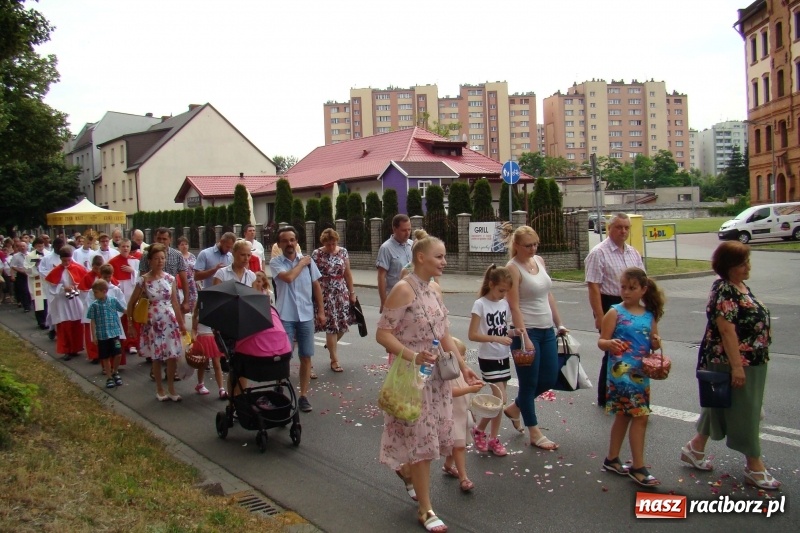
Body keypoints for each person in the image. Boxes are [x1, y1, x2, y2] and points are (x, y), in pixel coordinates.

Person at [376, 233, 479, 533]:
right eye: (439, 256)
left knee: (429, 438)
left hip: (437, 378)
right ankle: (426, 509)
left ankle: (407, 472)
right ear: (421, 257)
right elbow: (383, 333)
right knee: (422, 442)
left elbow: (444, 334)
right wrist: (412, 356)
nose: (444, 262)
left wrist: (463, 367)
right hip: (412, 378)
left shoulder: (434, 289)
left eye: (444, 256)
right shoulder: (403, 290)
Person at [681, 242, 780, 490]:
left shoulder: (741, 287)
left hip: (753, 360)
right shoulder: (725, 290)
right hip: (733, 362)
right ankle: (754, 465)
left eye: (747, 261)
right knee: (745, 412)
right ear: (729, 267)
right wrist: (736, 367)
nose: (748, 266)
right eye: (742, 263)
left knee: (719, 406)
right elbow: (727, 331)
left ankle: (695, 448)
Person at [598, 267, 664, 487]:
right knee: (640, 416)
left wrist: (655, 342)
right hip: (620, 373)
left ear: (643, 290)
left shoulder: (648, 315)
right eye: (623, 287)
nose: (626, 292)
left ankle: (612, 458)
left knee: (624, 416)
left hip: (640, 372)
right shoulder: (615, 312)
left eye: (632, 288)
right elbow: (601, 341)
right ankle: (638, 466)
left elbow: (653, 341)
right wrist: (610, 344)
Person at [585, 213, 644, 406]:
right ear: (609, 228)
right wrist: (599, 316)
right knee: (612, 350)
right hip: (609, 303)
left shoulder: (633, 253)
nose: (623, 231)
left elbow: (643, 281)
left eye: (626, 227)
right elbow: (593, 286)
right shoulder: (599, 253)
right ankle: (605, 395)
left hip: (630, 305)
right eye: (619, 227)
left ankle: (629, 391)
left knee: (632, 350)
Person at [270, 226, 325, 413]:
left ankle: (303, 395)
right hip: (285, 315)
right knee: (284, 356)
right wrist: (301, 263)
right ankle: (279, 385)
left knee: (306, 355)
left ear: (297, 242)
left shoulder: (309, 263)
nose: (289, 244)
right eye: (285, 241)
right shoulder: (277, 263)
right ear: (279, 244)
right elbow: (288, 278)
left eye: (292, 240)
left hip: (306, 315)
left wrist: (321, 311)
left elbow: (316, 285)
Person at [468, 264, 518, 457]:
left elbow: (502, 329)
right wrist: (496, 338)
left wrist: (514, 332)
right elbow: (472, 334)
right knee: (501, 399)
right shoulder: (480, 304)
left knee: (499, 401)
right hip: (488, 356)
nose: (503, 295)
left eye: (506, 291)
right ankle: (481, 429)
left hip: (503, 355)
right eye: (500, 290)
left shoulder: (504, 304)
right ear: (491, 284)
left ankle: (492, 438)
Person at [126, 243, 187, 402]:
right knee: (157, 356)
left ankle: (171, 387)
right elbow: (131, 303)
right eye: (156, 258)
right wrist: (131, 324)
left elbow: (175, 302)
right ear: (150, 260)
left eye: (162, 258)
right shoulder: (143, 280)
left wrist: (181, 324)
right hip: (153, 321)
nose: (160, 261)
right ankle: (159, 388)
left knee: (172, 355)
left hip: (169, 319)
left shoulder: (170, 278)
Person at [311, 229, 356, 373]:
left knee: (342, 325)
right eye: (328, 244)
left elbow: (347, 273)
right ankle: (334, 360)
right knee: (331, 326)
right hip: (325, 293)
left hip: (341, 291)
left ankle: (331, 346)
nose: (331, 247)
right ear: (323, 243)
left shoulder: (343, 252)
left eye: (333, 243)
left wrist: (352, 292)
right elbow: (312, 277)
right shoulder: (317, 254)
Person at [441, 337, 483, 493]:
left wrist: (474, 385)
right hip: (452, 416)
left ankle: (448, 465)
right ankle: (464, 478)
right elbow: (450, 392)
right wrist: (470, 389)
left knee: (460, 444)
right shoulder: (447, 373)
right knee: (458, 446)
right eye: (460, 355)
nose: (463, 359)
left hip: (462, 414)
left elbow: (465, 391)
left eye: (463, 355)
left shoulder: (461, 372)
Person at [45, 246, 88, 361]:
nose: (66, 263)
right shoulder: (56, 271)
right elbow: (51, 287)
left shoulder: (78, 268)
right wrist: (63, 288)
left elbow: (84, 283)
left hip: (76, 300)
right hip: (63, 301)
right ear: (60, 259)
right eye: (64, 261)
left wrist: (76, 287)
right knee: (65, 326)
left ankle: (76, 348)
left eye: (68, 260)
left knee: (77, 324)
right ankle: (66, 350)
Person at [138, 228, 189, 314]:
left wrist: (186, 301)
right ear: (155, 239)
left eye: (164, 239)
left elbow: (184, 279)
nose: (161, 241)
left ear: (170, 240)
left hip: (172, 300)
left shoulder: (177, 255)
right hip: (152, 301)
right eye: (159, 238)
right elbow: (142, 279)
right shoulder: (146, 255)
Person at [86, 279, 126, 389]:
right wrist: (94, 335)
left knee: (118, 354)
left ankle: (115, 371)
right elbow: (92, 321)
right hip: (102, 335)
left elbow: (123, 310)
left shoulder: (113, 301)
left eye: (96, 292)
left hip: (114, 333)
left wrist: (133, 310)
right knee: (105, 357)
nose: (94, 294)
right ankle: (109, 377)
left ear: (104, 291)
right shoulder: (94, 305)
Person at [108, 239, 140, 355]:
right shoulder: (112, 261)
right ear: (119, 247)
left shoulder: (135, 261)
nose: (125, 248)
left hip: (131, 291)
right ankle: (122, 341)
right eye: (123, 246)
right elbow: (109, 276)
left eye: (127, 246)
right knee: (121, 316)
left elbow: (140, 277)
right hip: (119, 290)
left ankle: (133, 343)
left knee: (133, 316)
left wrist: (133, 271)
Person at [376, 214, 412, 313]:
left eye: (409, 229)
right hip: (395, 297)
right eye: (404, 230)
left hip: (412, 297)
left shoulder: (412, 245)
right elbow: (381, 277)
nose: (407, 233)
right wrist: (384, 302)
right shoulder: (386, 248)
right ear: (394, 229)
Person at [191, 304, 227, 399]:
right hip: (202, 340)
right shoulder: (197, 314)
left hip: (212, 339)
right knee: (203, 363)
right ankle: (200, 384)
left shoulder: (213, 312)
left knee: (217, 364)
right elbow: (194, 329)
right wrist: (193, 337)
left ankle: (221, 388)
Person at [79, 255, 106, 363]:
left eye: (99, 268)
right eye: (95, 268)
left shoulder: (104, 277)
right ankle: (94, 355)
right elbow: (82, 292)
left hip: (103, 307)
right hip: (90, 306)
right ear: (92, 266)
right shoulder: (88, 276)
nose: (97, 271)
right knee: (91, 333)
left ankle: (103, 353)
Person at [24, 237, 48, 327]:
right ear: (34, 246)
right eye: (38, 246)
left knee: (46, 302)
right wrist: (36, 265)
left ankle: (48, 320)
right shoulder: (30, 256)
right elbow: (27, 269)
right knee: (38, 302)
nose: (41, 248)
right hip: (36, 281)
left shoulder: (48, 254)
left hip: (45, 280)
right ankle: (41, 321)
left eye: (42, 246)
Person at [176, 236, 198, 312]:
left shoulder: (192, 256)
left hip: (192, 284)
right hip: (181, 283)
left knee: (193, 305)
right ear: (178, 246)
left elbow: (196, 268)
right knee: (181, 305)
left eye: (186, 244)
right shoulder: (177, 256)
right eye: (182, 244)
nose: (184, 246)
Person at [10, 241, 31, 312]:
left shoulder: (30, 255)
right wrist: (21, 271)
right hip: (21, 274)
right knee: (24, 290)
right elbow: (12, 266)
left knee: (29, 290)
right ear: (19, 247)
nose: (22, 247)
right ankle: (26, 306)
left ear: (26, 247)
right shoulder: (16, 256)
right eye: (21, 246)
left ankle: (30, 303)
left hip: (30, 274)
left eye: (24, 246)